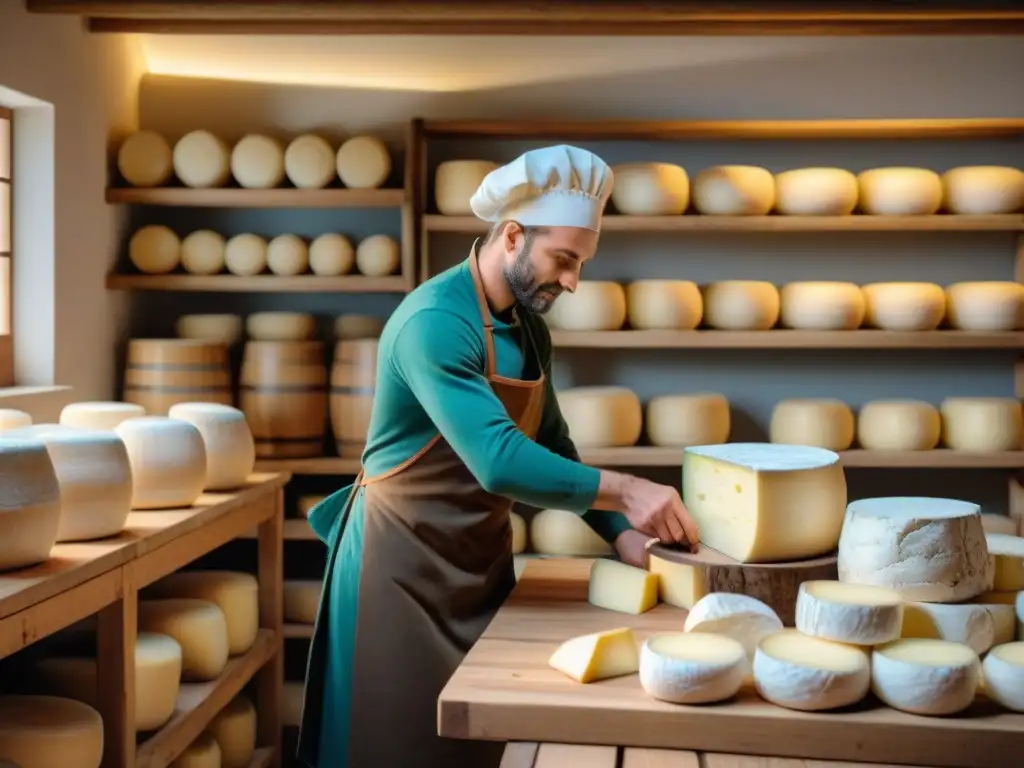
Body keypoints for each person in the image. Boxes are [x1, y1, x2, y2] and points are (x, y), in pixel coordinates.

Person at [297, 144, 699, 768]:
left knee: (470, 751)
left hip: (477, 565)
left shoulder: (529, 329)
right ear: (512, 236)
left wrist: (620, 533)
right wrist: (627, 491)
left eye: (581, 263)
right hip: (396, 572)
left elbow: (552, 443)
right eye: (563, 259)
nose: (572, 281)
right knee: (390, 744)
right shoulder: (432, 322)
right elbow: (499, 460)